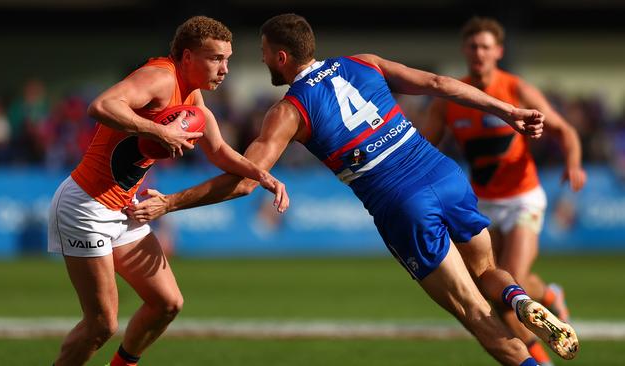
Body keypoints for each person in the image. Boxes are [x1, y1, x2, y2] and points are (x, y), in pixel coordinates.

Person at [127, 14, 578, 365]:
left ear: (282, 56)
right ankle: (519, 298)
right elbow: (440, 85)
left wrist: (170, 201)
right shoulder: (363, 62)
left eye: (264, 53)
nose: (262, 60)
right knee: (488, 273)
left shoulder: (288, 111)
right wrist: (507, 111)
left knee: (473, 312)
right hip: (443, 174)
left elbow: (246, 180)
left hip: (403, 202)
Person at [47, 16, 289, 366]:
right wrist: (158, 132)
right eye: (215, 58)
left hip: (122, 208)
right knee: (102, 324)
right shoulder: (160, 77)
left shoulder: (193, 94)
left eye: (228, 60)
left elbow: (219, 151)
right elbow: (100, 106)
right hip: (86, 206)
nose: (224, 69)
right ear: (187, 57)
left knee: (167, 303)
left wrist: (264, 175)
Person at [420, 16, 586, 365]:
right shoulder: (451, 98)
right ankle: (551, 296)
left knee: (516, 286)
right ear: (465, 51)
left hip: (523, 198)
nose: (478, 53)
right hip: (484, 204)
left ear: (498, 51)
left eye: (485, 46)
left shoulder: (516, 89)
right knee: (497, 292)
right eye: (472, 46)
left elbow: (564, 130)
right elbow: (422, 149)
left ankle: (539, 360)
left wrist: (573, 163)